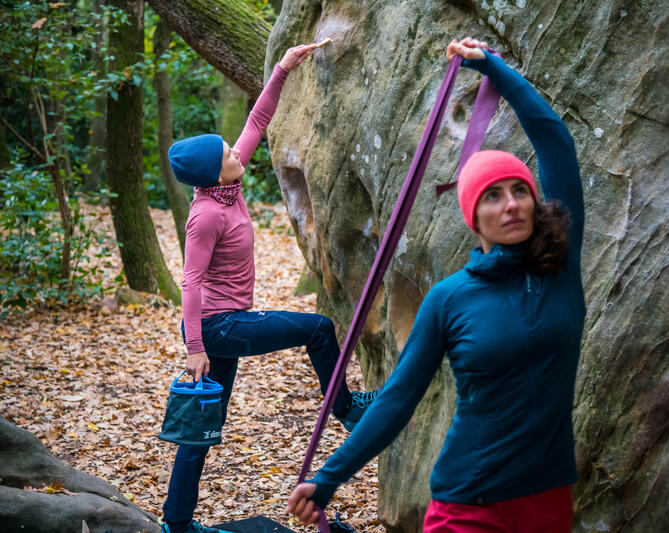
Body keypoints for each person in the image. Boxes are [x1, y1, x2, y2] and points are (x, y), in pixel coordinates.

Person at [287, 37, 585, 532]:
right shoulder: (450, 299)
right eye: (492, 196)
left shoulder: (559, 271)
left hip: (545, 502)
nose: (510, 203)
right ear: (473, 218)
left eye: (519, 191)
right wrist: (328, 477)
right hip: (465, 506)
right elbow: (397, 399)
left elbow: (555, 140)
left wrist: (493, 68)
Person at [161, 44, 378, 533]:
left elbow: (257, 121)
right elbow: (191, 282)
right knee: (320, 329)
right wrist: (195, 348)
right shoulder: (205, 215)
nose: (237, 151)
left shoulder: (228, 185)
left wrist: (282, 67)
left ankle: (175, 524)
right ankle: (344, 408)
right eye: (227, 154)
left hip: (223, 323)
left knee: (202, 427)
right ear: (213, 173)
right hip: (218, 327)